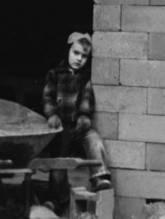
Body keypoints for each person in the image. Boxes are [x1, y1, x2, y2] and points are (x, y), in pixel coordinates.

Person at [40, 31, 113, 191]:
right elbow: (47, 96)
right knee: (59, 160)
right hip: (60, 127)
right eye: (76, 53)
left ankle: (100, 177)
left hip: (78, 126)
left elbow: (87, 96)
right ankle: (58, 197)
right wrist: (51, 114)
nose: (79, 59)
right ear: (67, 51)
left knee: (94, 139)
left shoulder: (85, 77)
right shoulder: (55, 74)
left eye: (84, 56)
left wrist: (84, 115)